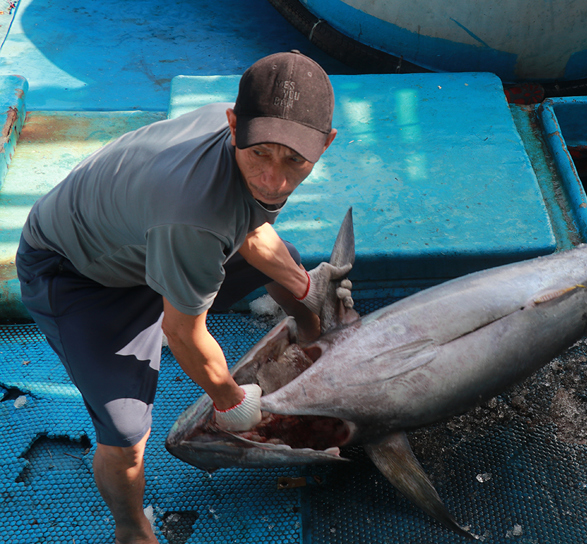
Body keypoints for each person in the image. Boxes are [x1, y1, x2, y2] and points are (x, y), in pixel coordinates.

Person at [15, 51, 353, 544]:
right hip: (78, 275)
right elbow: (183, 333)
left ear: (326, 144)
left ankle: (314, 338)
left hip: (150, 239)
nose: (274, 180)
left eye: (294, 160)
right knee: (126, 432)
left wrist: (309, 289)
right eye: (260, 153)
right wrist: (232, 404)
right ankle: (132, 531)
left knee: (293, 263)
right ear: (234, 125)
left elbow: (248, 224)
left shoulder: (250, 132)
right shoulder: (195, 218)